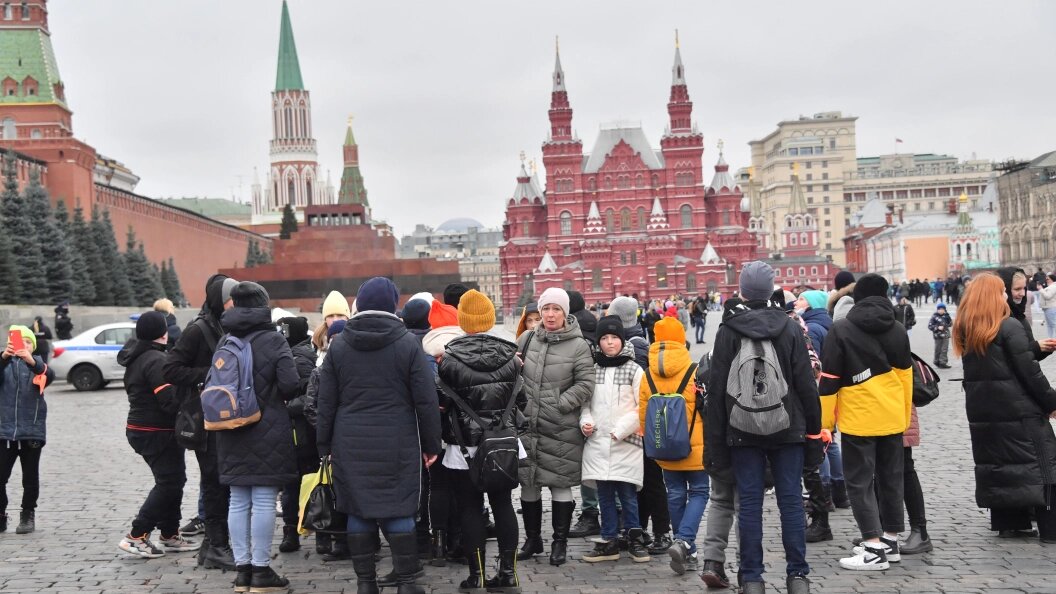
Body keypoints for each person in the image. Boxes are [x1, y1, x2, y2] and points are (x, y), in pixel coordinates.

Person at [316, 277, 442, 594]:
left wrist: (324, 444)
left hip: (350, 441)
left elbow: (325, 402)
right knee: (399, 508)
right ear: (392, 305)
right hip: (398, 439)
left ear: (359, 304)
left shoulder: (339, 345)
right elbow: (426, 400)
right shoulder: (407, 344)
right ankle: (407, 583)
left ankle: (366, 584)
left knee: (358, 508)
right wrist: (431, 444)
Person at [706, 262, 821, 594]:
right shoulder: (789, 327)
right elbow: (806, 386)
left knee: (750, 505)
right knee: (791, 502)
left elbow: (716, 392)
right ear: (772, 289)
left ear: (742, 290)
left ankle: (752, 578)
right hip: (789, 428)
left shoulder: (728, 330)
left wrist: (715, 444)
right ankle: (797, 576)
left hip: (742, 430)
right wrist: (814, 434)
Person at [819, 274, 913, 571]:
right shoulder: (898, 329)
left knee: (859, 483)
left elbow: (829, 380)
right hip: (892, 417)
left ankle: (872, 548)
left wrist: (825, 423)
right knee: (891, 479)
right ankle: (891, 541)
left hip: (858, 418)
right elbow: (906, 378)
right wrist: (903, 416)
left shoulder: (841, 328)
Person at [955, 273, 1056, 544]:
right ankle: (1051, 529)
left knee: (1000, 464)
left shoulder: (967, 328)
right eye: (1002, 292)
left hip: (985, 411)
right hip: (1019, 409)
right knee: (1045, 464)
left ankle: (1010, 524)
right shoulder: (1008, 325)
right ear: (991, 296)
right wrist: (1051, 403)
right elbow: (1030, 373)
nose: (1005, 296)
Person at [214, 282, 300, 593]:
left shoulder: (226, 338)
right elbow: (290, 385)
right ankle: (261, 571)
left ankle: (242, 572)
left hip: (231, 427)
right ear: (263, 305)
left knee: (238, 500)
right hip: (268, 428)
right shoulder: (274, 340)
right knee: (263, 499)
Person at [436, 290, 523, 591]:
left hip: (464, 446)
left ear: (462, 320)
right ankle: (509, 574)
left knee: (469, 508)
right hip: (502, 441)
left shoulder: (449, 359)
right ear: (490, 318)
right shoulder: (511, 356)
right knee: (503, 504)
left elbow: (442, 403)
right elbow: (521, 400)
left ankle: (477, 576)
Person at [163, 274, 239, 570]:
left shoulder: (226, 325)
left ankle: (210, 547)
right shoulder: (198, 329)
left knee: (217, 482)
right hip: (204, 419)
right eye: (231, 300)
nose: (235, 305)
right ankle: (218, 545)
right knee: (216, 483)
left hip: (222, 417)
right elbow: (171, 369)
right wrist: (210, 374)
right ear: (220, 301)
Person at [515, 287, 595, 567]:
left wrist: (558, 404)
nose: (550, 315)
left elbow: (585, 384)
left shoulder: (579, 345)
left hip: (562, 428)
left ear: (565, 313)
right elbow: (513, 375)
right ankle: (532, 539)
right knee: (529, 484)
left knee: (560, 484)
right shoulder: (526, 339)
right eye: (546, 309)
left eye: (556, 309)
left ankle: (559, 542)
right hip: (528, 426)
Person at [117, 311, 199, 558]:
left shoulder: (138, 356)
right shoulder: (155, 360)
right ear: (163, 333)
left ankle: (169, 533)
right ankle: (137, 535)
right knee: (169, 482)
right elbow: (169, 400)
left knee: (174, 480)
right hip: (156, 431)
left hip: (144, 429)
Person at [640, 317, 709, 576]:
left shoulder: (648, 374)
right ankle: (684, 541)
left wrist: (655, 441)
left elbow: (644, 416)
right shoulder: (694, 370)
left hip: (664, 447)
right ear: (681, 339)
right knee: (700, 492)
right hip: (695, 446)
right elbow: (707, 410)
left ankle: (688, 553)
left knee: (676, 494)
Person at [581, 316, 649, 564]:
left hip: (625, 443)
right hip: (599, 442)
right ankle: (609, 539)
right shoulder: (593, 369)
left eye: (614, 338)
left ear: (622, 340)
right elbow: (585, 404)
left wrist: (622, 428)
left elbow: (642, 406)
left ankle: (634, 537)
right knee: (605, 495)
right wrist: (585, 422)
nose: (610, 342)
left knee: (628, 494)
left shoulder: (634, 370)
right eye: (605, 338)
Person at [608, 296, 673, 555]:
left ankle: (662, 532)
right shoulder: (639, 341)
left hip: (644, 424)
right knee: (641, 480)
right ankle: (641, 530)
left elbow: (640, 390)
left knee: (652, 481)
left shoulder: (635, 347)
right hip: (640, 424)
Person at [422, 299, 466, 567]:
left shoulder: (423, 353)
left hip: (434, 428)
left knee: (437, 486)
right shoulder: (464, 352)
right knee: (460, 487)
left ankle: (438, 543)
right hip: (460, 431)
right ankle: (457, 541)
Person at [0, 325, 55, 535]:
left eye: (28, 342)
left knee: (30, 478)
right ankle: (1, 514)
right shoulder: (4, 364)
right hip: (4, 432)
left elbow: (48, 375)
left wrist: (32, 361)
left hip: (32, 431)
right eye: (18, 341)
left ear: (33, 346)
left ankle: (27, 514)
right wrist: (4, 357)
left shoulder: (37, 365)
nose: (23, 345)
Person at [275, 315, 317, 554]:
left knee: (295, 485)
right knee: (301, 484)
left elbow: (309, 396)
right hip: (301, 433)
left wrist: (282, 407)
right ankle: (304, 530)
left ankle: (294, 530)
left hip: (300, 433)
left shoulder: (298, 359)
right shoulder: (298, 355)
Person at [567, 291, 601, 538]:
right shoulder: (595, 326)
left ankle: (590, 513)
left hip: (578, 403)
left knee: (586, 463)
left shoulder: (573, 332)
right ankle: (617, 512)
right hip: (599, 401)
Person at [997, 267, 1056, 362]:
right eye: (1017, 289)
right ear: (1004, 290)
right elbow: (1002, 359)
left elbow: (1029, 358)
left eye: (1024, 288)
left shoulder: (1020, 316)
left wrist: (1045, 348)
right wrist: (1036, 347)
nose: (1023, 294)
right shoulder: (996, 319)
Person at [928, 303, 953, 369]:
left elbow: (950, 324)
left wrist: (949, 320)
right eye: (940, 309)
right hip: (938, 336)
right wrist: (937, 327)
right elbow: (930, 326)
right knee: (938, 349)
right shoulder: (934, 316)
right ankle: (936, 361)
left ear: (944, 310)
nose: (941, 310)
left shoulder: (946, 316)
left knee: (944, 349)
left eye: (943, 309)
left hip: (946, 335)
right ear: (937, 310)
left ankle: (943, 362)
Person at [1038, 274, 1056, 339]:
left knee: (1053, 324)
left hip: (1051, 307)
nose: (1046, 280)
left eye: (1048, 279)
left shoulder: (1053, 286)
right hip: (1048, 307)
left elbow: (1048, 296)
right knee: (1049, 325)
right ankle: (1050, 338)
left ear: (1052, 279)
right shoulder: (1051, 286)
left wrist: (1041, 289)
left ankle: (1053, 338)